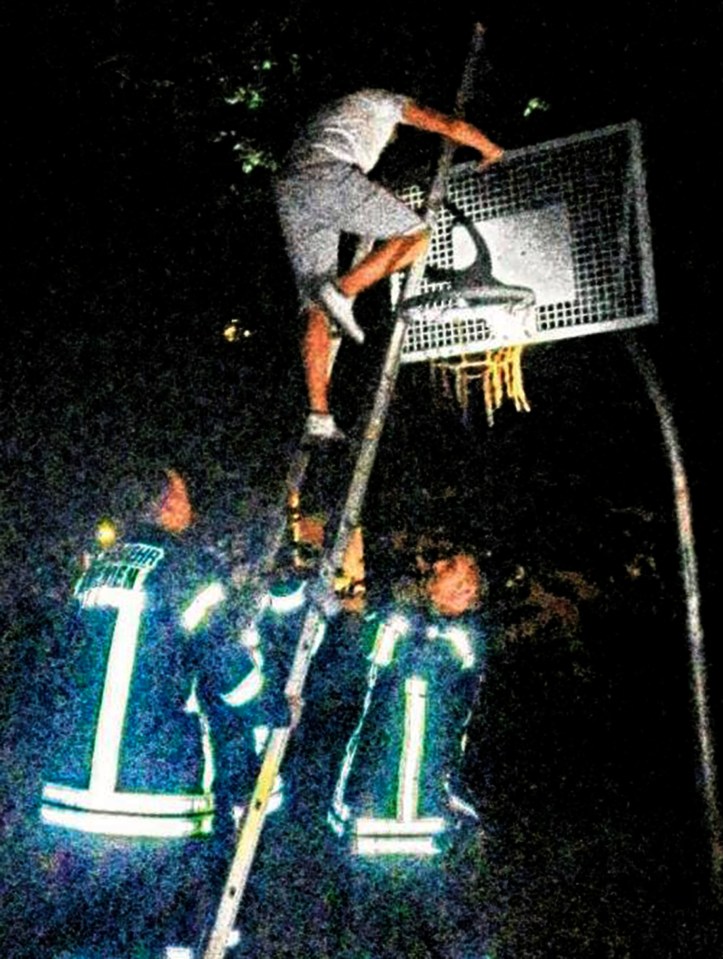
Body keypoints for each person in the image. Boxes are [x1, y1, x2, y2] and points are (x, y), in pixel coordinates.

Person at [29, 468, 284, 959]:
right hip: (155, 806)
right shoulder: (187, 572)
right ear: (166, 505)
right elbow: (229, 672)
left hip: (72, 800)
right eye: (185, 494)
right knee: (162, 937)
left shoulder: (94, 574)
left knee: (92, 940)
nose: (192, 505)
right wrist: (273, 706)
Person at [274, 89, 504, 442]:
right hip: (325, 175)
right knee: (415, 235)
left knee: (314, 308)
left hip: (290, 188)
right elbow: (447, 123)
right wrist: (489, 149)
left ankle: (319, 414)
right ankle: (343, 292)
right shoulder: (385, 103)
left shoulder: (334, 111)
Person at [323, 548, 489, 958]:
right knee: (360, 933)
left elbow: (403, 655)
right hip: (373, 806)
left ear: (467, 592)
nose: (436, 568)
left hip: (425, 811)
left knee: (451, 930)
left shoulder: (463, 641)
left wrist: (344, 613)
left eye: (451, 569)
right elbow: (350, 668)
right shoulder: (410, 622)